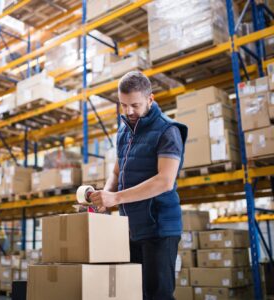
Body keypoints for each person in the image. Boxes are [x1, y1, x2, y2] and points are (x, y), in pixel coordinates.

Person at [90, 71, 188, 300]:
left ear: (150, 99)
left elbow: (165, 181)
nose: (129, 111)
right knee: (135, 293)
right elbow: (117, 171)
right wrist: (105, 194)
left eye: (135, 104)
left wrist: (116, 198)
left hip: (160, 228)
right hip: (133, 228)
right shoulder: (125, 130)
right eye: (123, 105)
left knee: (158, 295)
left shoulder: (168, 131)